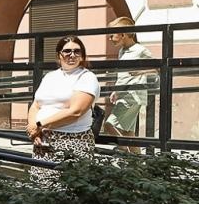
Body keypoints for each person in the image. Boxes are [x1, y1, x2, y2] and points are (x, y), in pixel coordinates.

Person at [27, 35, 101, 181]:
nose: (72, 55)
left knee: (68, 191)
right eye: (67, 51)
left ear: (82, 55)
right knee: (41, 190)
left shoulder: (87, 77)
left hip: (73, 141)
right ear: (59, 54)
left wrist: (39, 125)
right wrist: (33, 130)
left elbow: (75, 112)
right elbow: (36, 104)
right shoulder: (50, 76)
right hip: (43, 141)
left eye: (77, 51)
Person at [102, 17, 154, 148]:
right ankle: (137, 163)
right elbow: (122, 75)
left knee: (108, 124)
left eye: (112, 35)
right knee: (128, 132)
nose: (110, 38)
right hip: (124, 94)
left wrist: (141, 72)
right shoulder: (122, 51)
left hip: (133, 95)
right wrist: (116, 90)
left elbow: (157, 68)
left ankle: (123, 152)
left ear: (123, 35)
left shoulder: (140, 50)